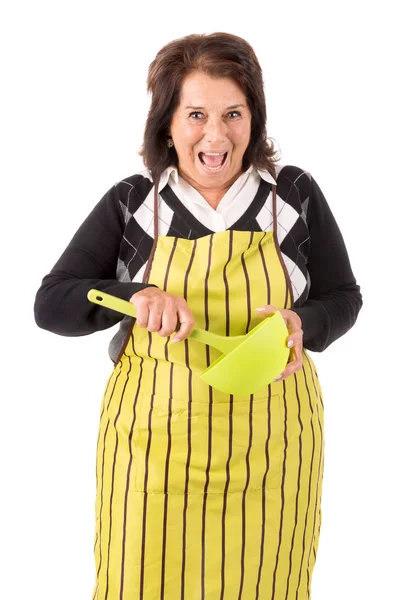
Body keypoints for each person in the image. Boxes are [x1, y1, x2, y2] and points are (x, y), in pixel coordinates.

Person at [34, 32, 362, 600]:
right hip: (151, 448)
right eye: (197, 115)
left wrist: (302, 325)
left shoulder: (293, 195)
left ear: (253, 119)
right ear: (167, 123)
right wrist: (133, 294)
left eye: (234, 113)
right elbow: (52, 302)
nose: (217, 134)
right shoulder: (135, 202)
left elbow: (344, 296)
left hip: (273, 448)